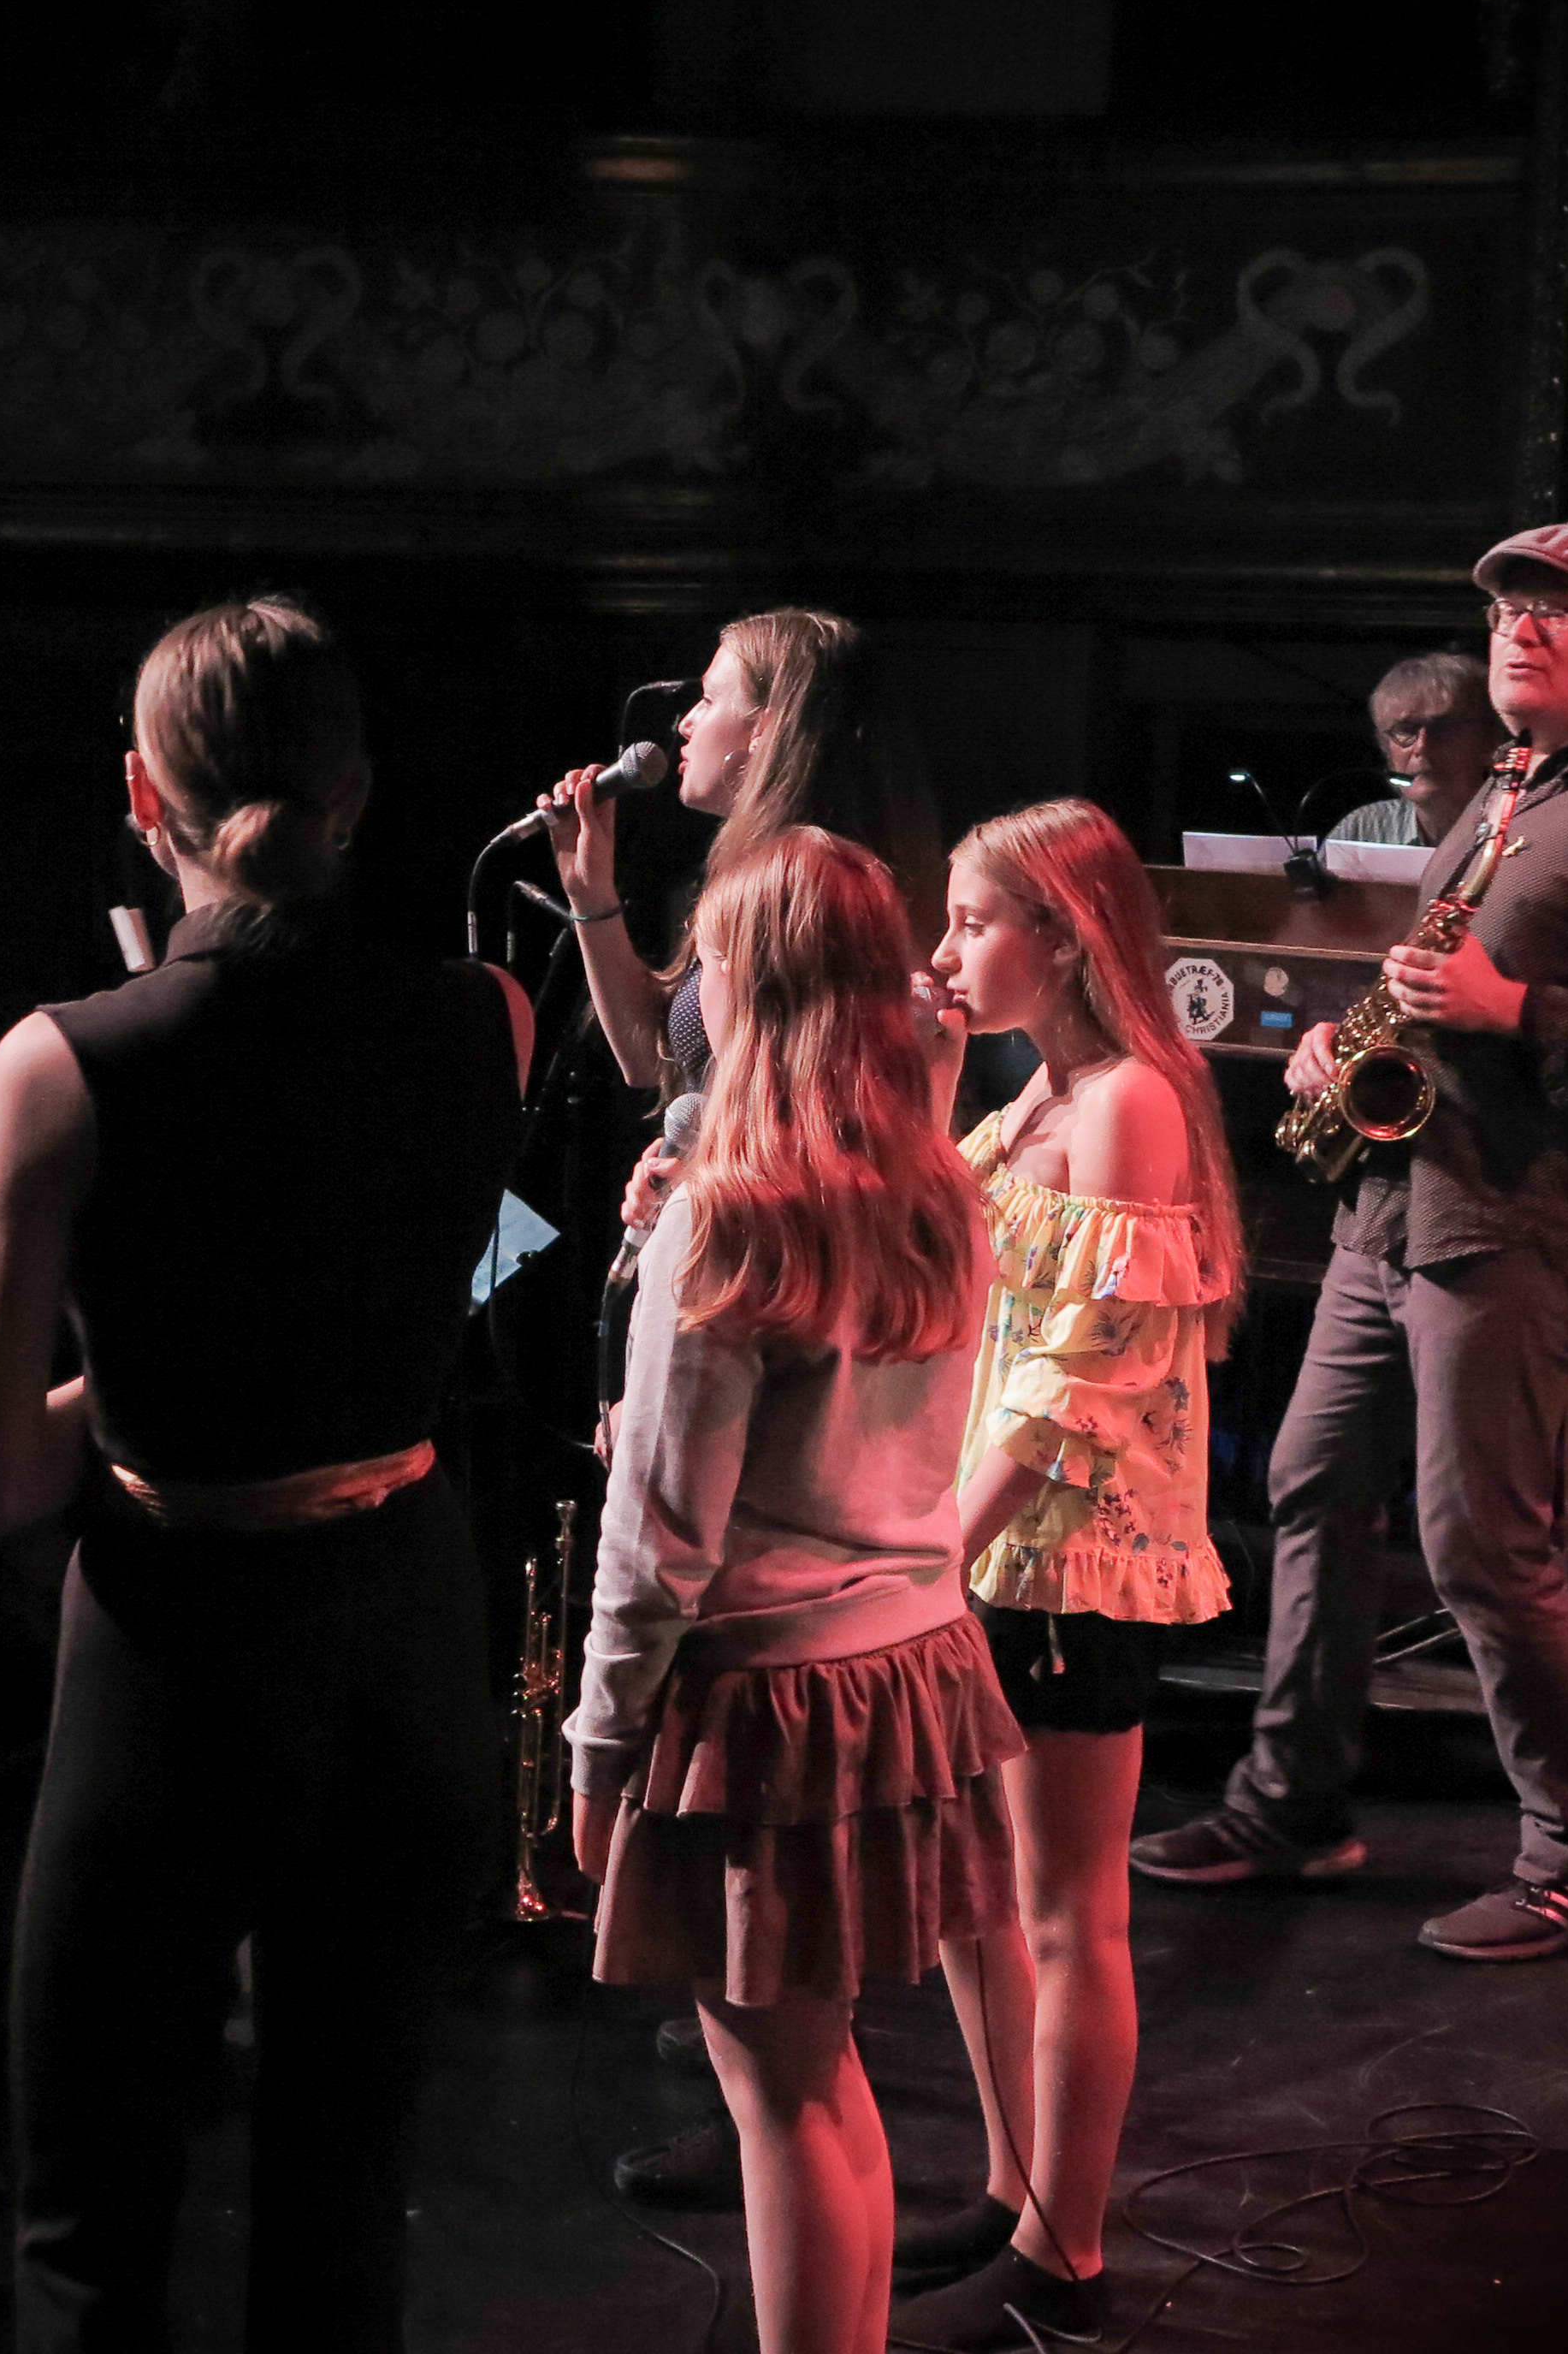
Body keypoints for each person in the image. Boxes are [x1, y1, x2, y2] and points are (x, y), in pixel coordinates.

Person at [0, 596, 530, 2353]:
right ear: (352, 796)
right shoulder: (489, 1016)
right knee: (342, 2194)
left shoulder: (62, 1062)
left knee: (89, 2226)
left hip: (176, 1646)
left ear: (143, 789)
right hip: (401, 1633)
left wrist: (134, 1364)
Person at [1133, 520, 1568, 1961]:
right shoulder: (1509, 790)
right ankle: (1291, 1797)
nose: (1523, 631)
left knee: (1481, 1539)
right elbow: (1438, 983)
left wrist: (1518, 1012)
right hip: (1392, 1203)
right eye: (1508, 612)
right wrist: (1333, 1046)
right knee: (1309, 1480)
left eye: (1564, 608)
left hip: (1512, 1221)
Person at [565, 825, 1023, 2354]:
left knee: (782, 2094)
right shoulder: (939, 1188)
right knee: (828, 2084)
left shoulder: (731, 1209)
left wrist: (595, 1743)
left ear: (740, 989)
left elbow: (661, 1538)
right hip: (913, 1665)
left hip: (766, 1698)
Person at [896, 798, 1247, 2352]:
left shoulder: (1126, 1101)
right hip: (987, 1537)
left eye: (973, 920)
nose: (946, 947)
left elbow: (1087, 1371)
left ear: (1065, 930)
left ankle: (1069, 2241)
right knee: (981, 1897)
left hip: (1063, 1557)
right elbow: (929, 1253)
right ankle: (1008, 2176)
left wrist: (948, 1543)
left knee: (1062, 1906)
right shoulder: (1027, 1094)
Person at [538, 606, 942, 1103]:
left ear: (763, 731)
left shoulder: (801, 882)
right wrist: (590, 887)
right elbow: (649, 1060)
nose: (685, 723)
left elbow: (783, 1101)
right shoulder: (758, 869)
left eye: (708, 700)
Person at [1327, 651, 1500, 848]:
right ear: (1386, 745)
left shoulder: (1522, 829)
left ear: (1489, 739)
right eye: (1406, 730)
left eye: (1443, 728)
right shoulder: (1363, 829)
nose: (1422, 746)